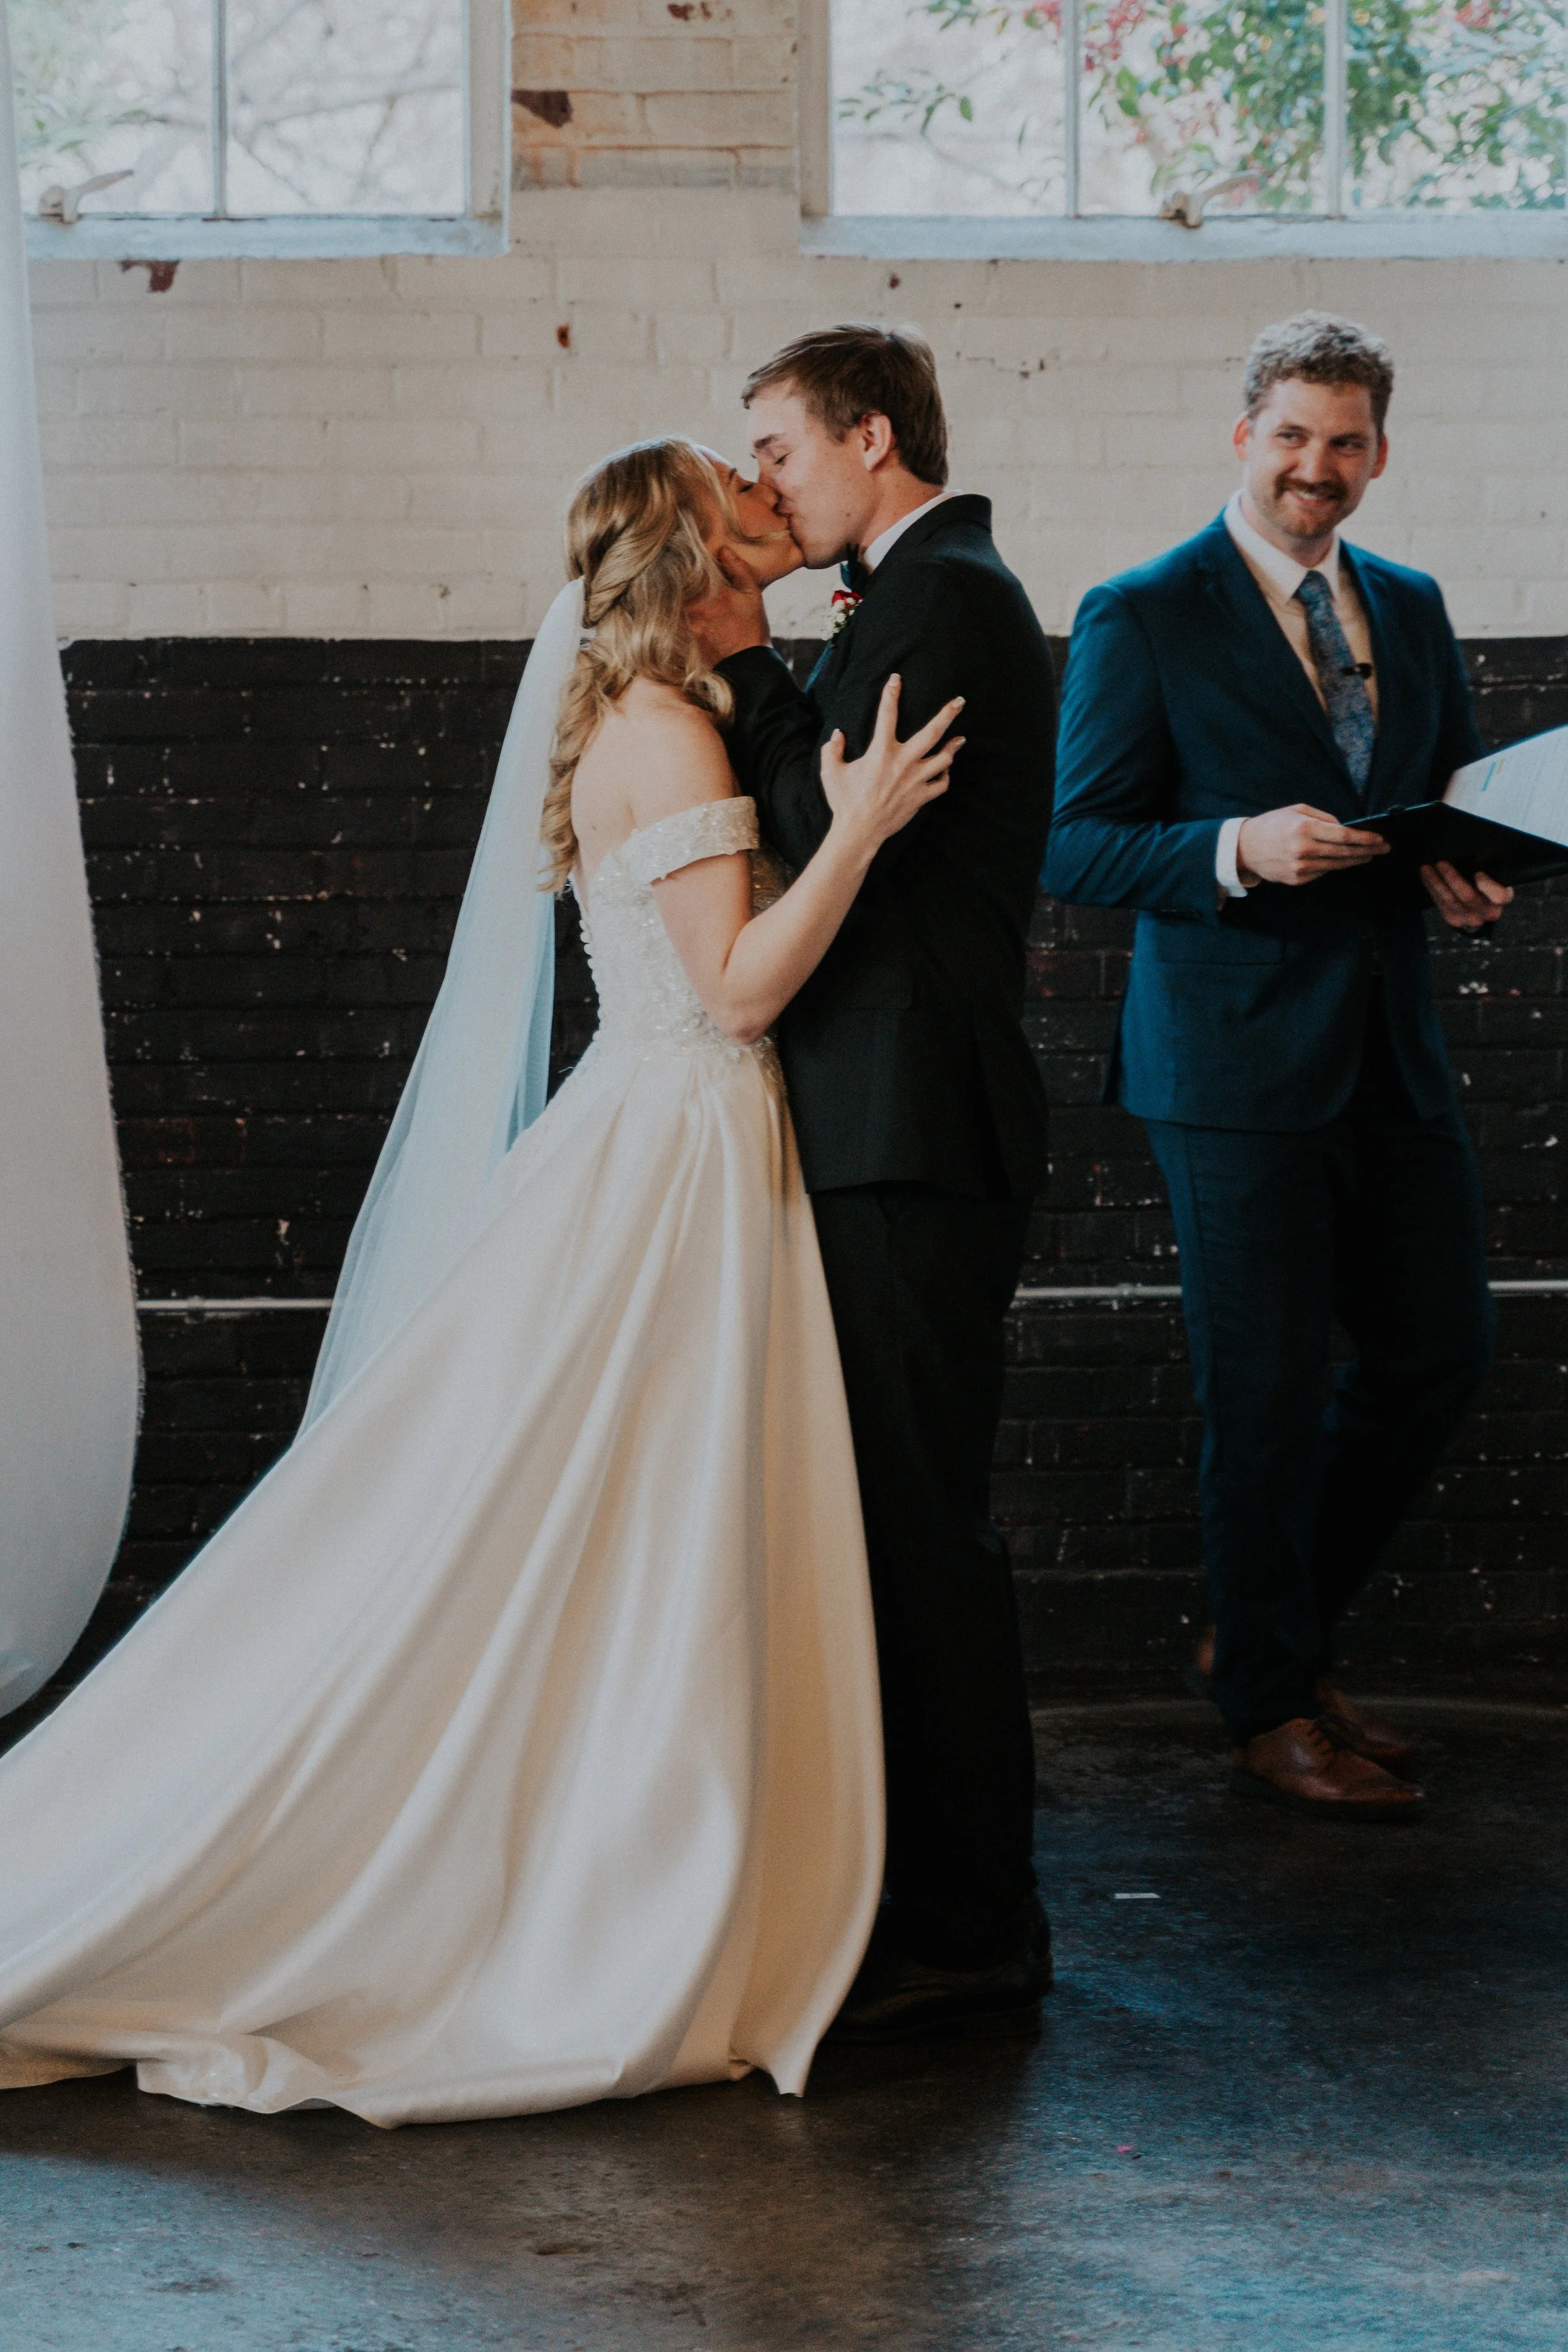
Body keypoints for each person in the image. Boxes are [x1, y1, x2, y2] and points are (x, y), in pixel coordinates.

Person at [0, 438, 964, 2126]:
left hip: (667, 1144)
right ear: (693, 555)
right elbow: (734, 990)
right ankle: (605, 1886)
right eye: (736, 499)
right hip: (681, 1153)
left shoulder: (649, 708)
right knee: (638, 1527)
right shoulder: (664, 732)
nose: (764, 502)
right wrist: (862, 829)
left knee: (615, 1530)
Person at [1044, 311, 1507, 1820]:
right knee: (1257, 1389)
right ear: (1240, 437)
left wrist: (1465, 865)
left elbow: (1431, 793)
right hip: (1228, 1069)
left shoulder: (1414, 603)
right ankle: (1265, 1702)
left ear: (1379, 452)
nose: (1319, 467)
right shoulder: (1142, 609)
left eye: (1347, 442)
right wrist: (1234, 846)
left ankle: (1259, 1631)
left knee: (1435, 1353)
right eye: (1293, 436)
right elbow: (1074, 838)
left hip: (1389, 1046)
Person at [687, 324, 1056, 2036]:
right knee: (891, 1520)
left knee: (923, 1525)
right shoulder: (911, 590)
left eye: (778, 446)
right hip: (878, 1120)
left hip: (914, 1125)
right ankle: (910, 1881)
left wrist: (748, 661)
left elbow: (814, 812)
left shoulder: (949, 593)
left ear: (873, 437)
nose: (763, 479)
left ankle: (974, 1920)